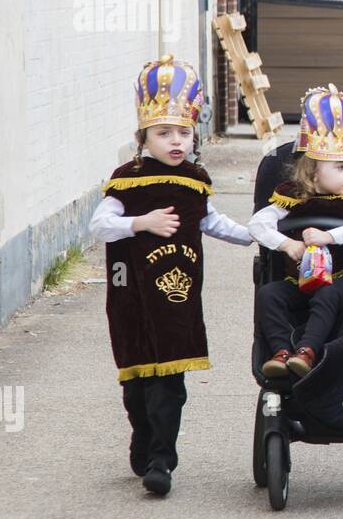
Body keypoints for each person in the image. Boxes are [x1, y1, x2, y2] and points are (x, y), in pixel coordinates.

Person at [90, 55, 254, 496]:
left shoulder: (195, 180)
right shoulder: (128, 180)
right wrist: (140, 224)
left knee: (171, 385)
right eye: (164, 133)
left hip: (178, 303)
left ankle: (163, 458)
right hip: (131, 299)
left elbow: (211, 221)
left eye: (183, 132)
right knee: (137, 382)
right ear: (144, 136)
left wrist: (254, 235)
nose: (176, 141)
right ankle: (142, 438)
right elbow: (99, 226)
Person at [250, 85, 343, 379]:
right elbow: (258, 223)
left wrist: (328, 236)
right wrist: (285, 245)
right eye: (341, 167)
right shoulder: (291, 197)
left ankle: (306, 350)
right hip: (299, 278)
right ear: (315, 171)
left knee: (327, 296)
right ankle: (281, 352)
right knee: (269, 294)